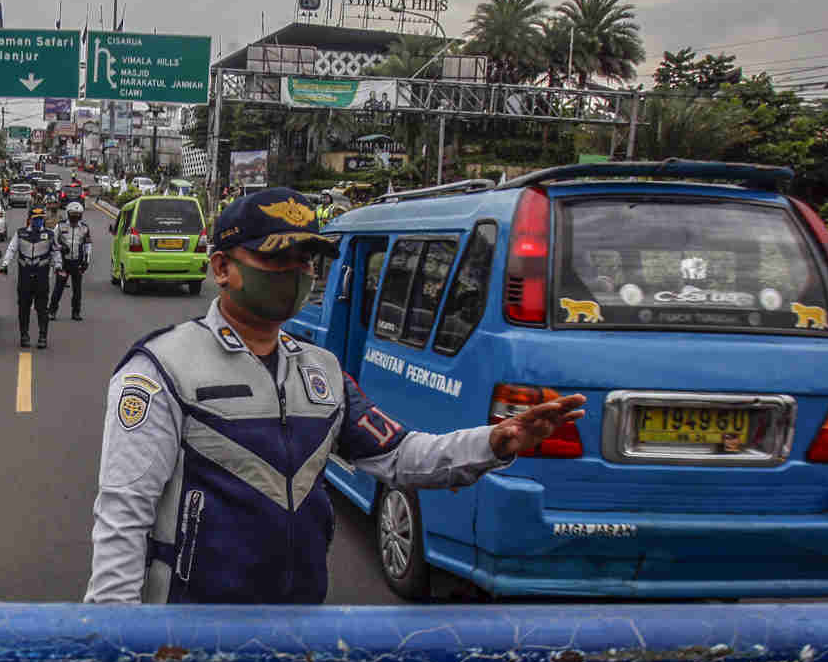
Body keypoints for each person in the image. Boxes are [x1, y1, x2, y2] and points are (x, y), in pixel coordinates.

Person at [84, 188, 585, 604]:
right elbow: (124, 515)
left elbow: (400, 457)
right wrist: (113, 643)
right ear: (221, 267)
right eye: (275, 258)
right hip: (186, 637)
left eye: (305, 261)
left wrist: (496, 441)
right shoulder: (161, 369)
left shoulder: (321, 371)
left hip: (299, 630)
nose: (295, 273)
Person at [1, 207, 57, 349]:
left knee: (42, 307)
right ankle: (24, 335)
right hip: (25, 275)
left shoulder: (49, 234)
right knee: (23, 307)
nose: (38, 221)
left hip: (42, 275)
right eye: (35, 219)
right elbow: (12, 249)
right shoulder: (21, 233)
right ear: (30, 220)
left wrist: (58, 266)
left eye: (40, 219)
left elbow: (56, 252)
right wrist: (5, 264)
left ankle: (42, 336)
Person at [49, 200, 92, 322]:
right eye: (73, 214)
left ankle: (76, 312)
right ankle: (52, 311)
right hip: (63, 262)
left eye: (78, 214)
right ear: (68, 214)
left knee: (77, 290)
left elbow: (88, 245)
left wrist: (86, 261)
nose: (75, 217)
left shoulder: (84, 228)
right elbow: (53, 242)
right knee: (58, 288)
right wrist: (60, 251)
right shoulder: (60, 226)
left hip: (77, 262)